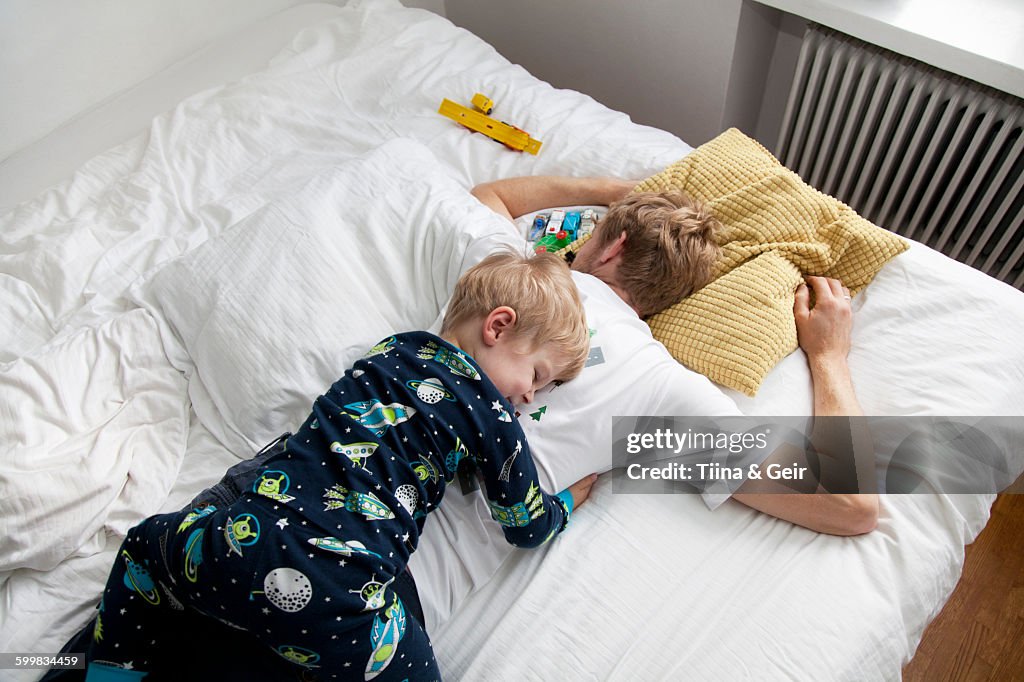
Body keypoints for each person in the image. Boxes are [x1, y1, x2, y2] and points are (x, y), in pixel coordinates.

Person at [79, 251, 599, 682]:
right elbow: (525, 525)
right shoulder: (491, 414)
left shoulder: (390, 349)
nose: (529, 395)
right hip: (340, 600)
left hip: (231, 548)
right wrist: (572, 498)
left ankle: (111, 671)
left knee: (146, 548)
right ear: (499, 326)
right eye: (537, 374)